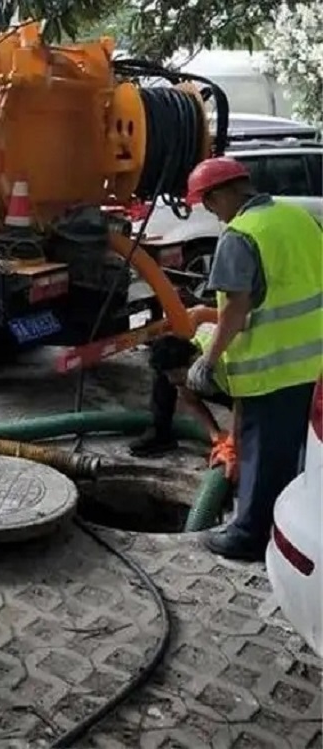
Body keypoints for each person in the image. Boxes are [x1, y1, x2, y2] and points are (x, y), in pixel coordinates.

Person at [183, 156, 323, 561]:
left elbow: (235, 309)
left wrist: (208, 360)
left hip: (273, 368)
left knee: (262, 456)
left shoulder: (241, 235)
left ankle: (248, 536)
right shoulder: (297, 218)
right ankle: (290, 529)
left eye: (208, 203)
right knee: (300, 453)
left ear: (224, 193)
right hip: (313, 362)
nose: (210, 213)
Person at [129, 330, 238, 479]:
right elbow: (192, 402)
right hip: (206, 374)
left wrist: (231, 446)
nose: (173, 381)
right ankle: (161, 435)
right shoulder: (185, 361)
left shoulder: (225, 365)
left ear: (192, 361)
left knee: (249, 432)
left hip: (250, 390)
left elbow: (243, 406)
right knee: (162, 379)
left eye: (176, 375)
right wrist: (216, 437)